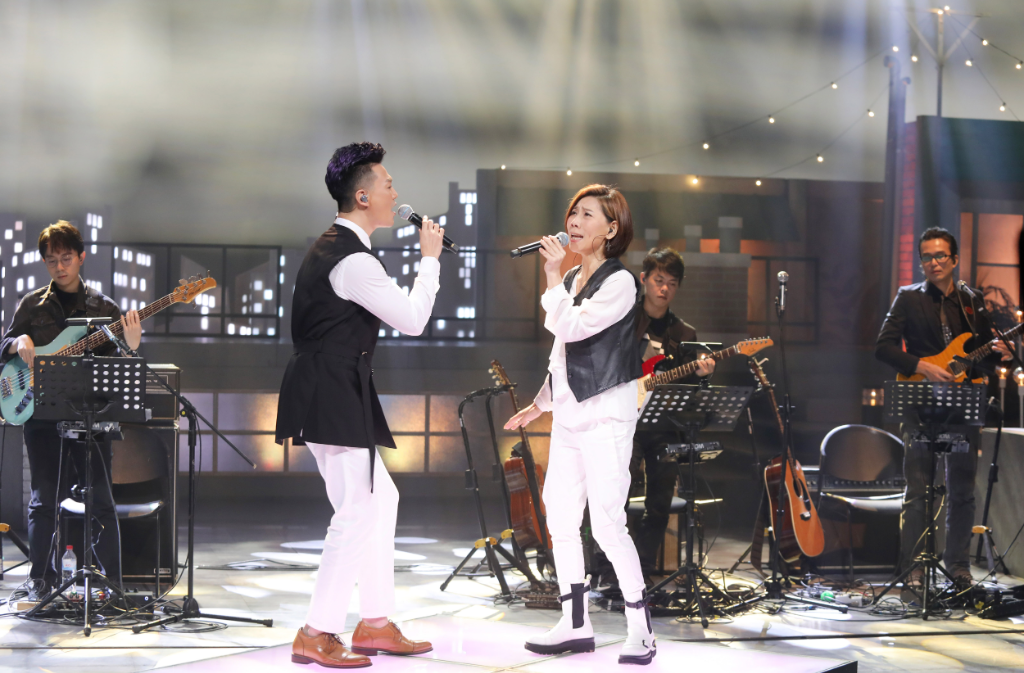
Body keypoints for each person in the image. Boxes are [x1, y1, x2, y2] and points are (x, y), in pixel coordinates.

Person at [276, 142, 438, 669]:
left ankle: (374, 623)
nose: (396, 193)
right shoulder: (352, 260)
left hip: (332, 385)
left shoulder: (337, 248)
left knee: (379, 500)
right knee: (357, 511)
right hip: (331, 388)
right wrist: (430, 261)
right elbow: (412, 319)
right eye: (388, 185)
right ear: (363, 196)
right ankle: (316, 632)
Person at [505, 184, 656, 666]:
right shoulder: (572, 279)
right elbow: (562, 352)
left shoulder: (621, 283)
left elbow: (571, 327)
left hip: (606, 416)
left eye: (587, 214)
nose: (574, 221)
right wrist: (541, 403)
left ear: (611, 229)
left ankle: (642, 632)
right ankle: (575, 623)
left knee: (608, 524)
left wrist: (551, 276)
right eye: (574, 212)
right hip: (570, 416)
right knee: (560, 517)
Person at [0, 221, 142, 600]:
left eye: (66, 258)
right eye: (52, 261)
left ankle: (112, 584)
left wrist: (130, 346)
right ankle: (40, 581)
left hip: (89, 419)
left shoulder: (104, 308)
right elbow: (2, 346)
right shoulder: (31, 305)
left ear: (81, 257)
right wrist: (17, 342)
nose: (59, 267)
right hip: (40, 416)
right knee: (43, 500)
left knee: (101, 501)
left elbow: (117, 372)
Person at [875, 227, 1011, 592]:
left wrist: (1000, 355)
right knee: (918, 492)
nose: (933, 262)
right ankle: (915, 571)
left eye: (940, 256)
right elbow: (883, 347)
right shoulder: (908, 297)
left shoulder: (971, 300)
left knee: (962, 491)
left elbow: (980, 357)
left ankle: (959, 569)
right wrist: (922, 366)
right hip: (920, 402)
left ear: (954, 259)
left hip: (961, 406)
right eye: (927, 257)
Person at [629, 248, 714, 580]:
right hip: (624, 422)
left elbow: (690, 389)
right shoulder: (624, 321)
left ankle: (643, 570)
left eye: (672, 283)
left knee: (660, 504)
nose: (664, 289)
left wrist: (703, 374)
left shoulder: (684, 334)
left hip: (663, 426)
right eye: (658, 280)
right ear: (644, 279)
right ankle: (610, 570)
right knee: (616, 498)